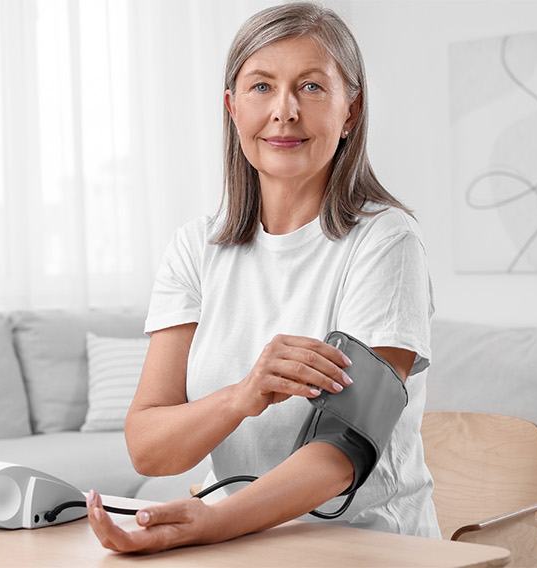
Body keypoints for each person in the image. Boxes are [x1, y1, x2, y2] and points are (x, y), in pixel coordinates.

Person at [85, 2, 438, 553]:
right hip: (241, 546)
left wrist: (212, 523)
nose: (284, 111)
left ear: (351, 111)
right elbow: (151, 449)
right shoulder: (195, 250)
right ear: (232, 107)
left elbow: (344, 448)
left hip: (367, 547)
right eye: (261, 87)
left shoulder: (385, 242)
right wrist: (243, 395)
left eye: (313, 87)